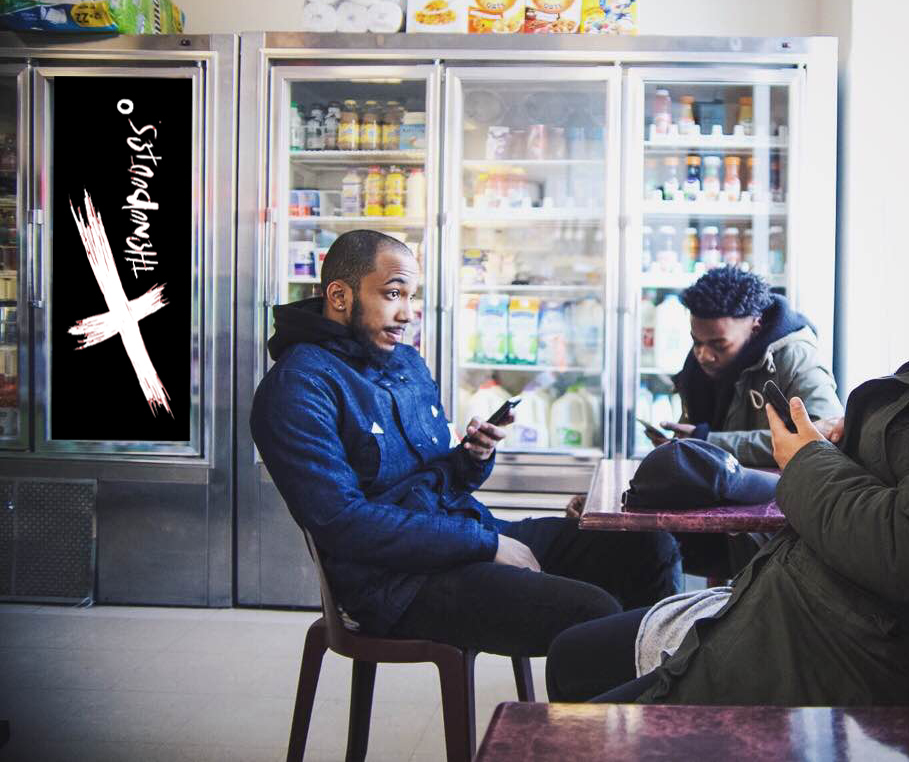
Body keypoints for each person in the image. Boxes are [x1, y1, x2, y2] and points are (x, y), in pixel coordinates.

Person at [545, 213, 909, 704]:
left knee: (568, 717)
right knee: (572, 654)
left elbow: (904, 547)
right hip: (806, 609)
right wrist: (846, 441)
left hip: (835, 648)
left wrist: (808, 457)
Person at [251, 230, 680, 657]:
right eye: (393, 294)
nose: (407, 314)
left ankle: (662, 689)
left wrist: (474, 456)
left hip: (462, 536)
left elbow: (441, 481)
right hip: (394, 585)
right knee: (595, 613)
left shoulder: (403, 362)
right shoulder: (298, 387)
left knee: (647, 545)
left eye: (411, 297)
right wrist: (487, 545)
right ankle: (625, 696)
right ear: (340, 296)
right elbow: (344, 523)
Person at [660, 266, 842, 466]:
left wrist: (706, 442)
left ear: (756, 327)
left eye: (719, 345)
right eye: (696, 342)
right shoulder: (700, 358)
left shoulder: (797, 357)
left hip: (778, 486)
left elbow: (822, 437)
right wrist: (679, 444)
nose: (703, 355)